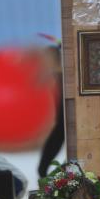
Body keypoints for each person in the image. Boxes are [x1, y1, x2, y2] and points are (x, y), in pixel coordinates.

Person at [38, 44, 65, 179]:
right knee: (42, 168)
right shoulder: (51, 76)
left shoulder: (63, 77)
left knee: (42, 168)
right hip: (57, 126)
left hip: (63, 126)